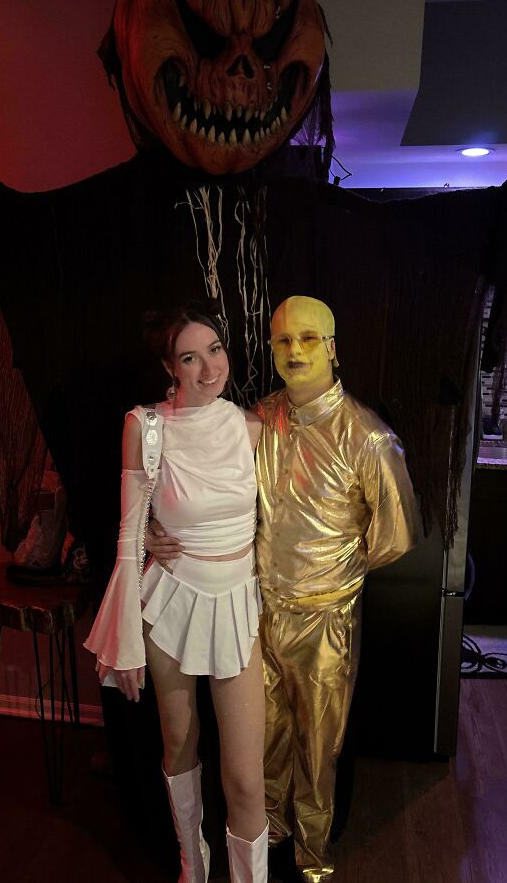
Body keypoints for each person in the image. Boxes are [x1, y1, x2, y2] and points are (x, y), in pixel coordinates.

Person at [149, 295, 419, 882]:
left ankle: (313, 860)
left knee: (318, 746)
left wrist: (331, 577)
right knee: (262, 744)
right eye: (283, 341)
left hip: (325, 618)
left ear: (332, 347)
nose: (295, 350)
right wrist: (153, 527)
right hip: (255, 611)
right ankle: (263, 842)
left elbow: (395, 537)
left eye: (309, 339)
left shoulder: (368, 438)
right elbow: (193, 471)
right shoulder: (258, 419)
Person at [84, 302, 268, 883]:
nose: (209, 367)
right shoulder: (145, 425)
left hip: (237, 601)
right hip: (170, 601)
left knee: (244, 778)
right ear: (170, 366)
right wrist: (126, 638)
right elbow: (127, 535)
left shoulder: (252, 425)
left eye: (215, 350)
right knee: (179, 748)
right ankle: (193, 864)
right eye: (191, 357)